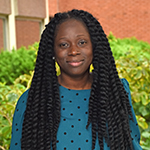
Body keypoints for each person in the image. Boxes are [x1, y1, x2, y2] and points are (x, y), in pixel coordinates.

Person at [10, 9, 142, 150]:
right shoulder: (32, 101)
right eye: (64, 45)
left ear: (94, 46)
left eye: (82, 42)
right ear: (52, 51)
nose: (74, 51)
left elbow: (131, 145)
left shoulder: (116, 93)